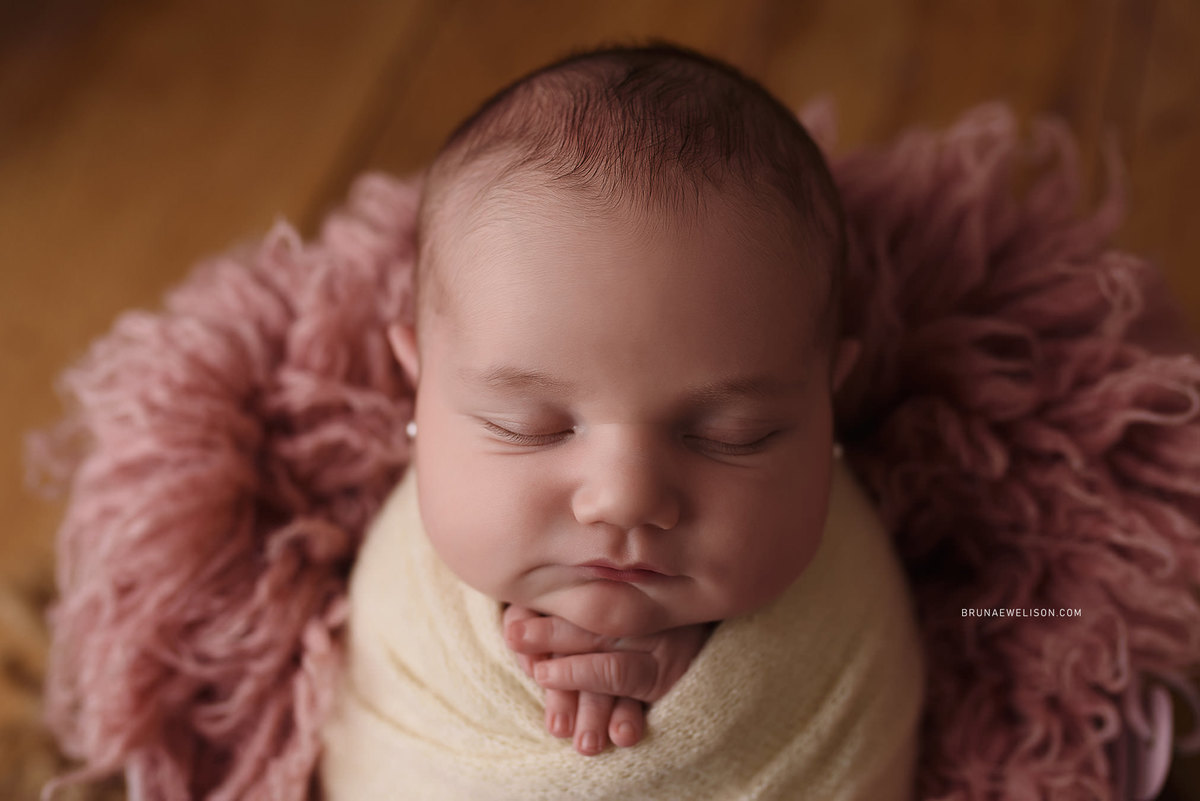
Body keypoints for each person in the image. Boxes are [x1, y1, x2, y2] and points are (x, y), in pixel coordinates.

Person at [320, 42, 923, 798]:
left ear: (827, 402)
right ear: (420, 391)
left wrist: (724, 683)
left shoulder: (846, 582)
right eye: (531, 424)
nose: (625, 497)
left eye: (730, 433)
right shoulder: (400, 580)